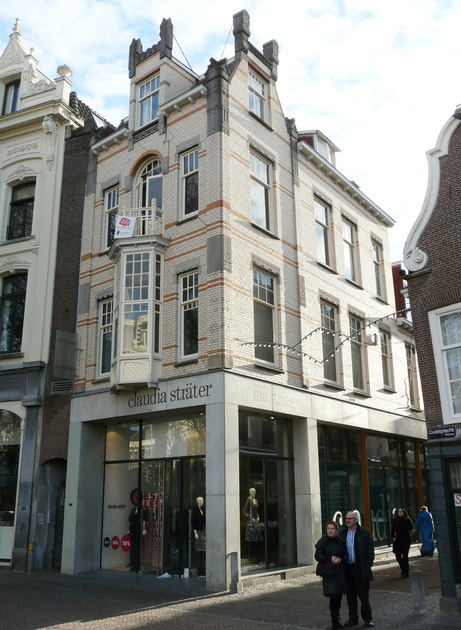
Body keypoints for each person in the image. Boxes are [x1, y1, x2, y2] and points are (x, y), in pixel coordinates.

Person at [339, 511, 375, 628]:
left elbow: (370, 551)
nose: (347, 520)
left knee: (364, 596)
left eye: (350, 518)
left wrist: (367, 565)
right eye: (346, 518)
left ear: (356, 520)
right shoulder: (342, 533)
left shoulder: (364, 533)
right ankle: (353, 618)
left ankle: (367, 618)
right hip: (348, 569)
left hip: (360, 569)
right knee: (350, 596)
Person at [315, 520, 348, 630]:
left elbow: (345, 554)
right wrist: (330, 559)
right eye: (328, 528)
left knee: (338, 596)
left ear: (336, 530)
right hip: (329, 573)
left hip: (339, 572)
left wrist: (341, 559)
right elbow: (318, 556)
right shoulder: (323, 541)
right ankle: (334, 621)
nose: (330, 531)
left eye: (332, 529)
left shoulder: (340, 541)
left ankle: (337, 619)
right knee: (333, 596)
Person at [391, 507, 413, 577]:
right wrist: (393, 537)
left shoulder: (407, 519)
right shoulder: (395, 520)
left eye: (401, 512)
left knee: (405, 556)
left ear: (404, 512)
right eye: (399, 512)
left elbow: (411, 528)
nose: (400, 513)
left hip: (405, 540)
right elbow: (392, 530)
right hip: (397, 540)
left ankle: (405, 572)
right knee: (398, 556)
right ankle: (403, 568)